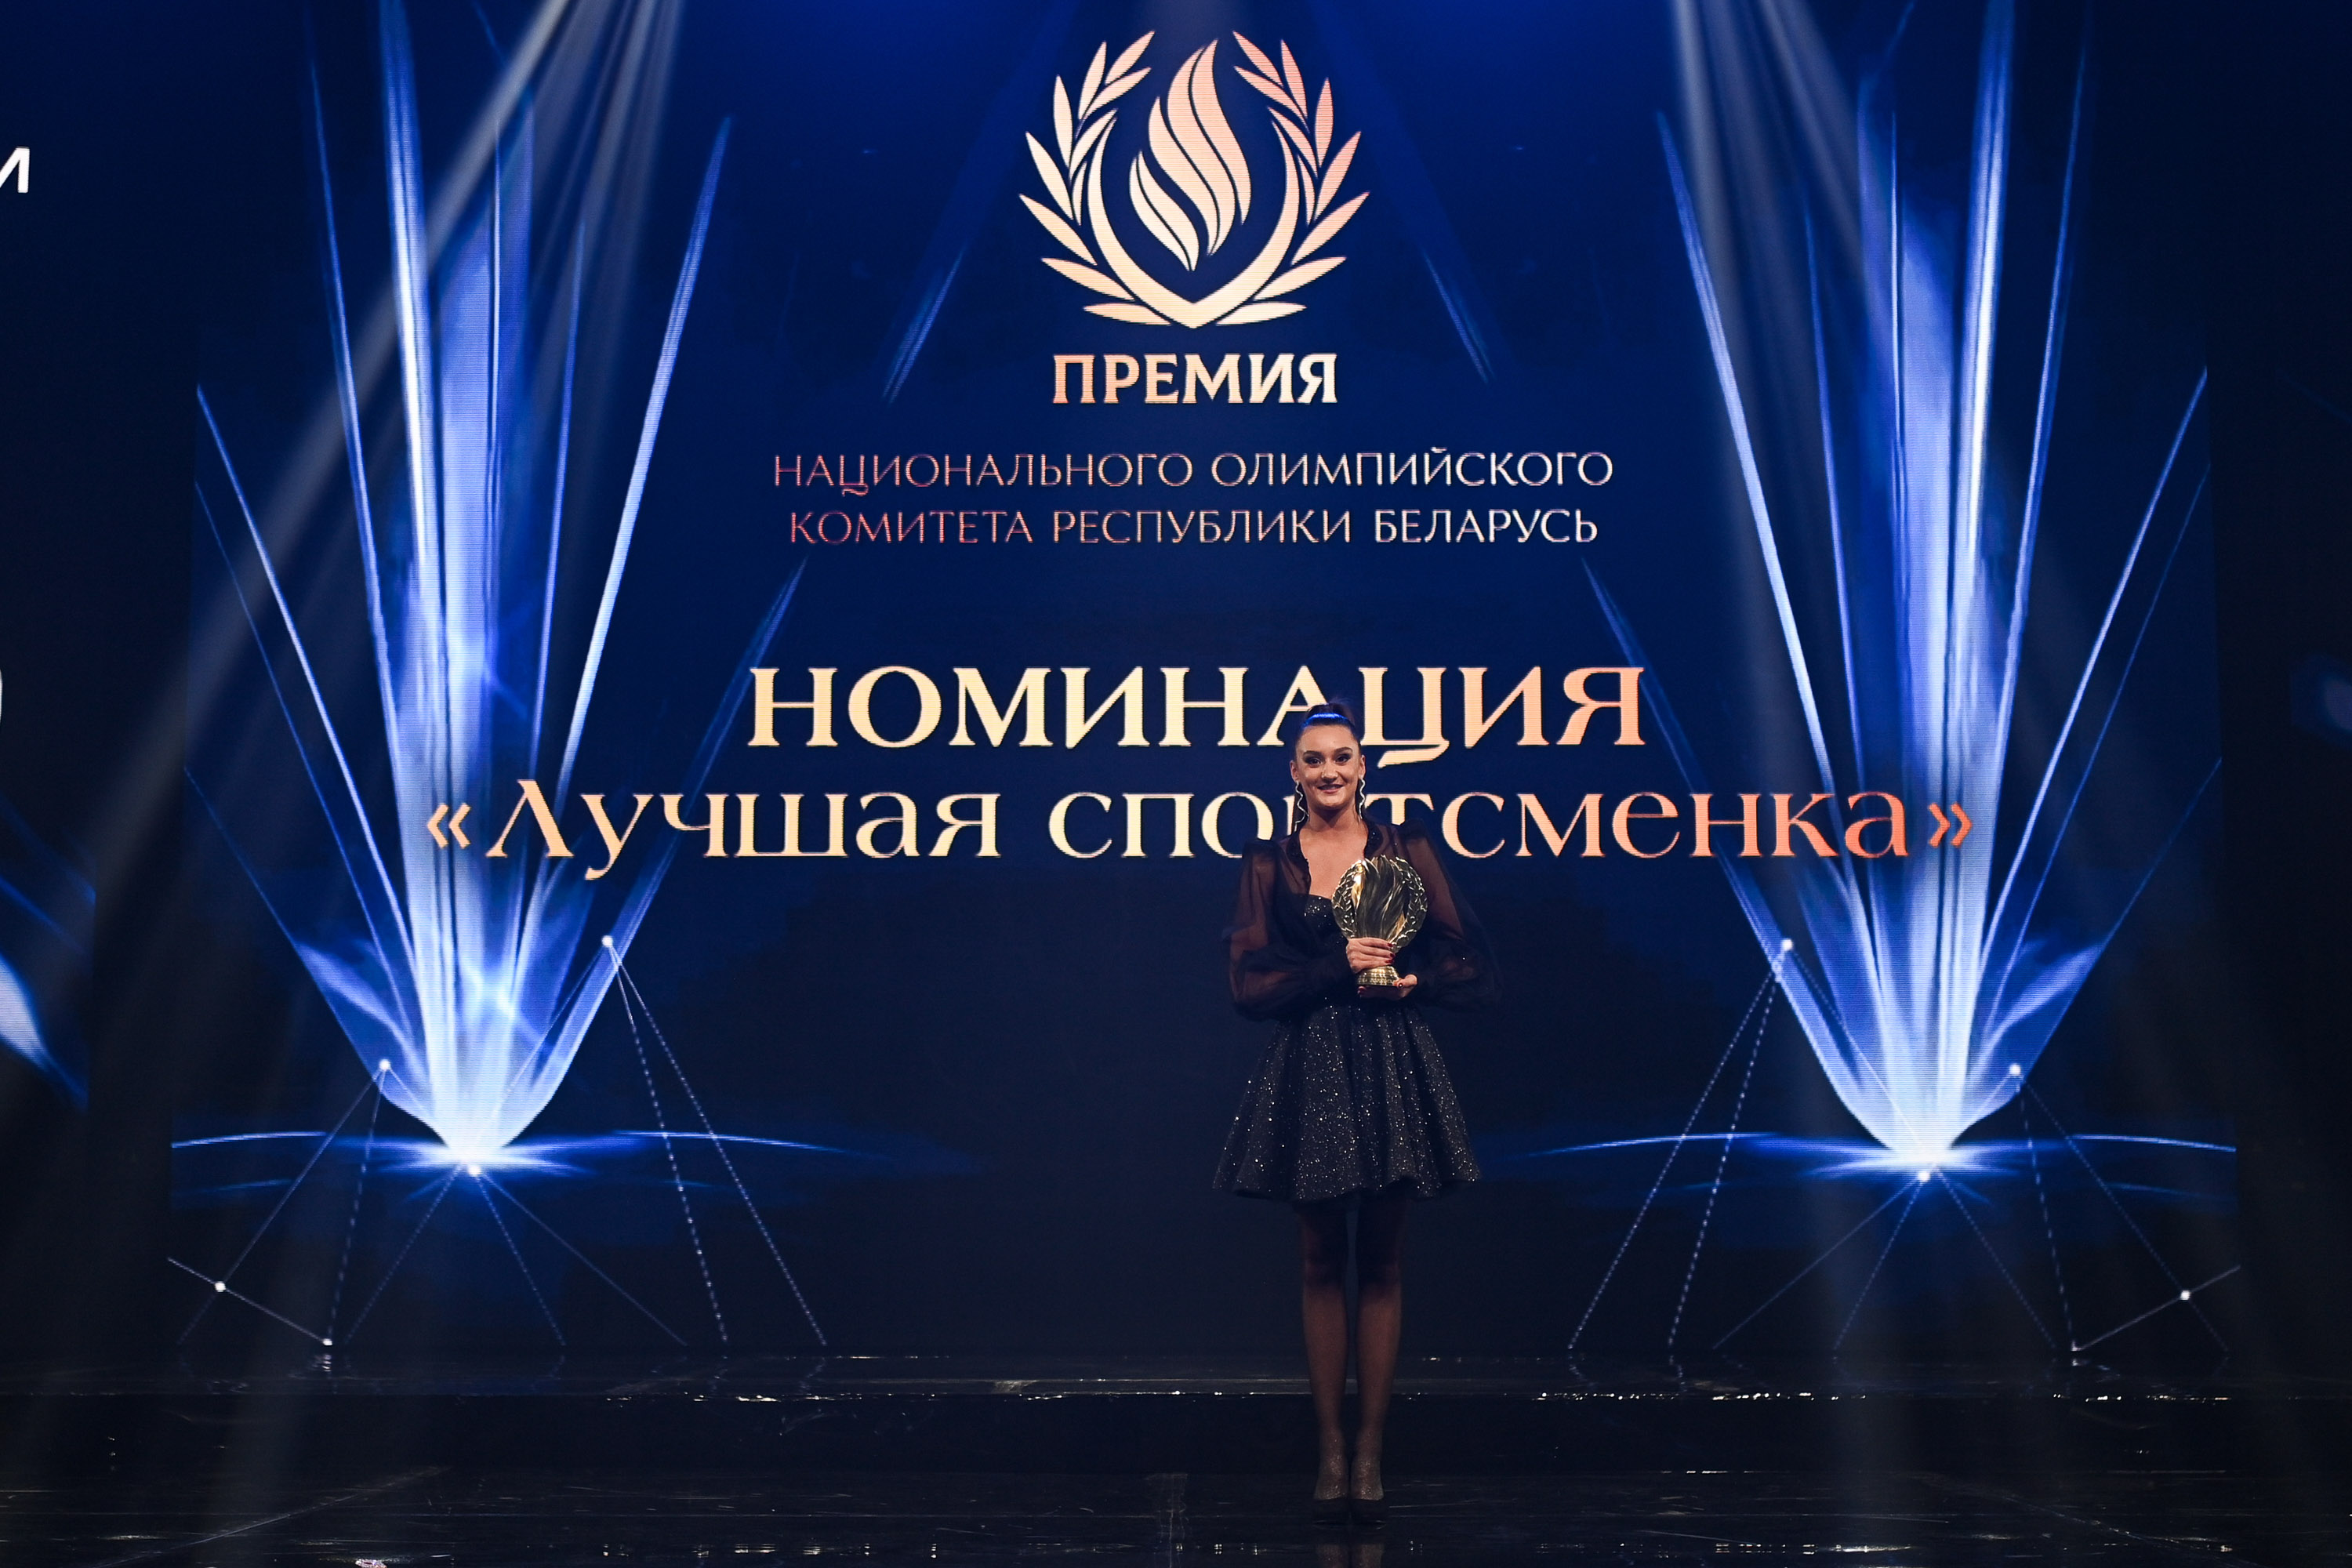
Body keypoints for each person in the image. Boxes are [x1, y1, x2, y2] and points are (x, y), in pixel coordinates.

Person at [1213, 702, 1496, 1527]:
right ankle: (1329, 1447)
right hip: (1311, 1063)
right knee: (1316, 1259)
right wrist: (1337, 964)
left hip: (1390, 1058)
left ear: (1364, 766)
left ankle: (1370, 1448)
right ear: (1294, 773)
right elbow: (1248, 985)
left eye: (1342, 756)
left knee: (1382, 1260)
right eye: (1314, 759)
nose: (1329, 771)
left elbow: (1472, 964)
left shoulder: (1405, 849)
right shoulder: (1268, 862)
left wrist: (1417, 981)